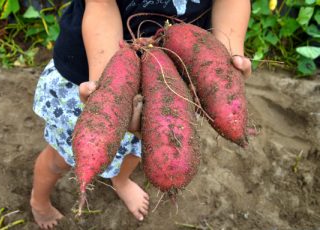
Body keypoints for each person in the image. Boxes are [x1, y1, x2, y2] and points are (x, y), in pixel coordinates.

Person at [30, 0, 252, 228]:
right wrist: (108, 94)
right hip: (89, 68)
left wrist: (226, 60)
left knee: (140, 148)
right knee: (63, 156)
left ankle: (121, 180)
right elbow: (100, 5)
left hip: (171, 81)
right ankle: (39, 201)